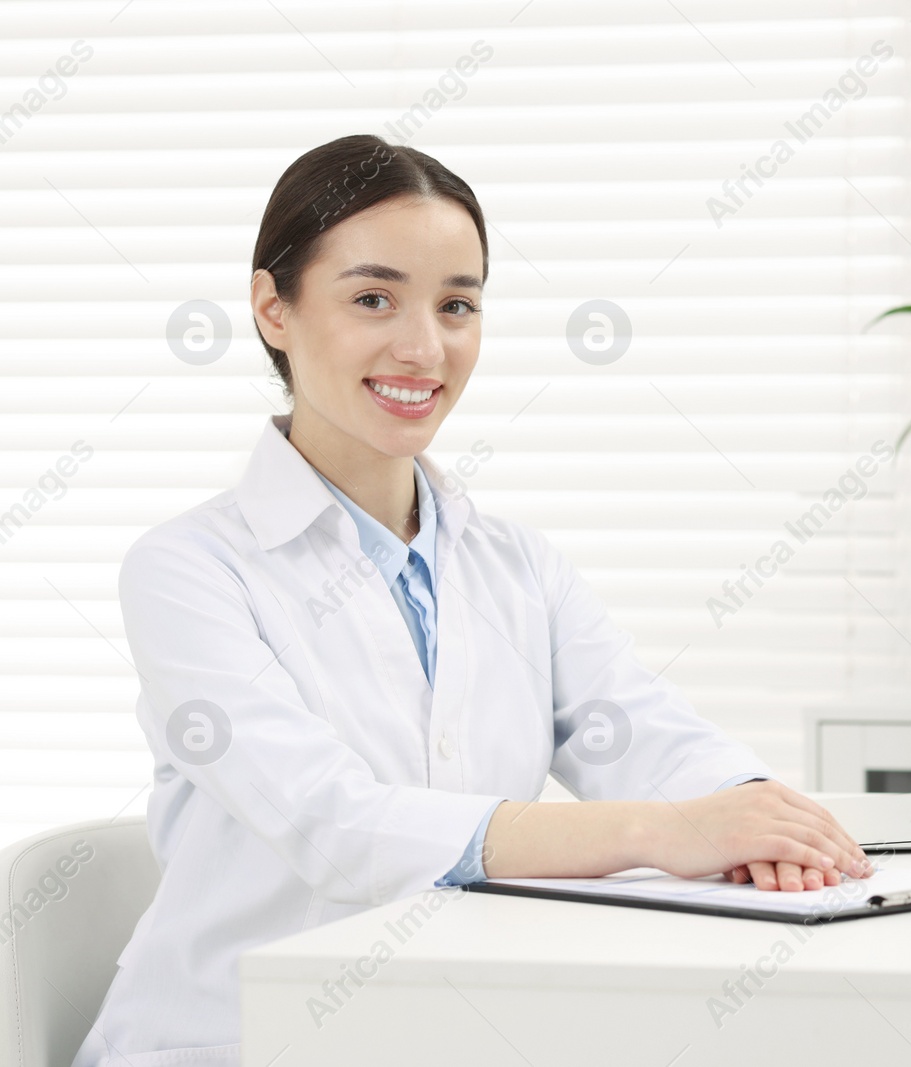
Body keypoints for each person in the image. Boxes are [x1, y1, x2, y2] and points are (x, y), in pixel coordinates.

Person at [71, 134, 870, 1067]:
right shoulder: (187, 570)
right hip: (233, 1041)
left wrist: (755, 815)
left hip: (451, 1031)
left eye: (458, 304)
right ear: (272, 309)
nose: (424, 346)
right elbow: (334, 821)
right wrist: (671, 830)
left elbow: (638, 731)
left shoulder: (518, 565)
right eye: (373, 298)